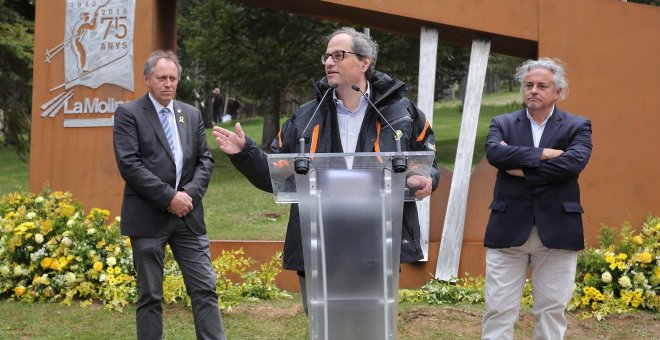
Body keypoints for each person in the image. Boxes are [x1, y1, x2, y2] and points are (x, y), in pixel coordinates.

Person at [212, 27, 439, 313]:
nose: (328, 62)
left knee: (370, 322)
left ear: (365, 62)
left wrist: (428, 179)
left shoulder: (400, 112)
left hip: (377, 240)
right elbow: (277, 175)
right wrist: (246, 153)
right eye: (327, 56)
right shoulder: (306, 117)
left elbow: (427, 160)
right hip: (318, 240)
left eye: (339, 55)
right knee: (323, 323)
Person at [113, 50, 226, 340]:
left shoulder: (190, 114)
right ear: (147, 79)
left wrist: (187, 195)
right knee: (150, 295)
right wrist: (168, 197)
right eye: (162, 78)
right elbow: (130, 164)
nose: (168, 83)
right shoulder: (129, 114)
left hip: (188, 217)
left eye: (173, 78)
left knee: (205, 288)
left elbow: (205, 161)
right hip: (148, 218)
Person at [481, 58, 592, 339]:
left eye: (542, 85)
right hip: (508, 228)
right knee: (498, 310)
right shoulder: (502, 123)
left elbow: (572, 165)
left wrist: (517, 163)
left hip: (557, 230)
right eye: (528, 85)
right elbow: (495, 155)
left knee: (552, 311)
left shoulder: (578, 126)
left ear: (558, 92)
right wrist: (546, 154)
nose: (533, 90)